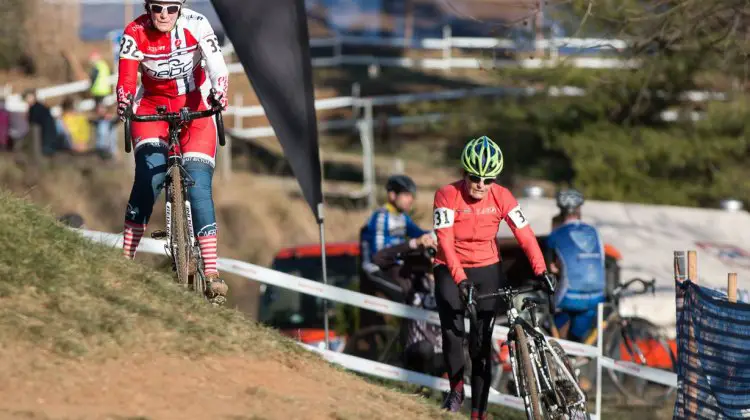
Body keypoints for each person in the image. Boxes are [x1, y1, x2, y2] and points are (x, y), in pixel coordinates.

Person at [432, 136, 555, 418]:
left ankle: (479, 412)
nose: (481, 185)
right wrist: (460, 280)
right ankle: (456, 389)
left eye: (488, 179)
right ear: (464, 173)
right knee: (453, 332)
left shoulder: (502, 196)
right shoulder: (446, 195)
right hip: (450, 267)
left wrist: (542, 270)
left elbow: (524, 235)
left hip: (487, 267)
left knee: (480, 343)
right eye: (475, 177)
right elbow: (445, 242)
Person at [116, 0, 230, 304]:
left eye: (171, 8)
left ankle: (213, 272)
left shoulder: (197, 24)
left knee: (200, 186)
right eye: (157, 8)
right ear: (147, 8)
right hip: (152, 109)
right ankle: (123, 262)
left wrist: (220, 90)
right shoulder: (135, 31)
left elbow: (217, 65)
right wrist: (124, 101)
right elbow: (126, 78)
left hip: (195, 108)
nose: (164, 15)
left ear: (181, 8)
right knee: (148, 179)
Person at [359, 174, 435, 328]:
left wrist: (437, 236)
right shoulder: (380, 217)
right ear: (392, 195)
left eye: (412, 196)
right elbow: (378, 255)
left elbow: (419, 233)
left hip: (394, 265)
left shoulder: (402, 217)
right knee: (409, 295)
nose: (411, 200)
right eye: (406, 195)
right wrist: (414, 243)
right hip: (376, 270)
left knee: (425, 279)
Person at [371, 239, 444, 380]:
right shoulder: (411, 279)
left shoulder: (452, 283)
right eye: (433, 252)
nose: (435, 257)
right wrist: (415, 244)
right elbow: (379, 258)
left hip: (442, 353)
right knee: (425, 349)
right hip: (416, 350)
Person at [547, 188, 606, 344]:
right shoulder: (594, 232)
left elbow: (550, 267)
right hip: (597, 295)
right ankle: (576, 348)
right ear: (579, 209)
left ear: (561, 211)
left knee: (552, 316)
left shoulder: (555, 235)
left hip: (568, 297)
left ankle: (561, 348)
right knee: (578, 334)